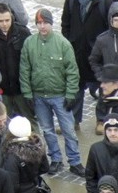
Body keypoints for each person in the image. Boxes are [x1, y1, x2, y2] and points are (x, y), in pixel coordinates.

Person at [20, 9, 84, 175]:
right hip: (39, 96)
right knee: (47, 130)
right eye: (39, 23)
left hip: (60, 95)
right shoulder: (29, 43)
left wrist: (70, 94)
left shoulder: (62, 44)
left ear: (51, 23)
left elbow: (72, 71)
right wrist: (27, 93)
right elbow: (25, 69)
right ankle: (55, 159)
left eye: (45, 23)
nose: (42, 26)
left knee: (68, 130)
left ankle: (75, 161)